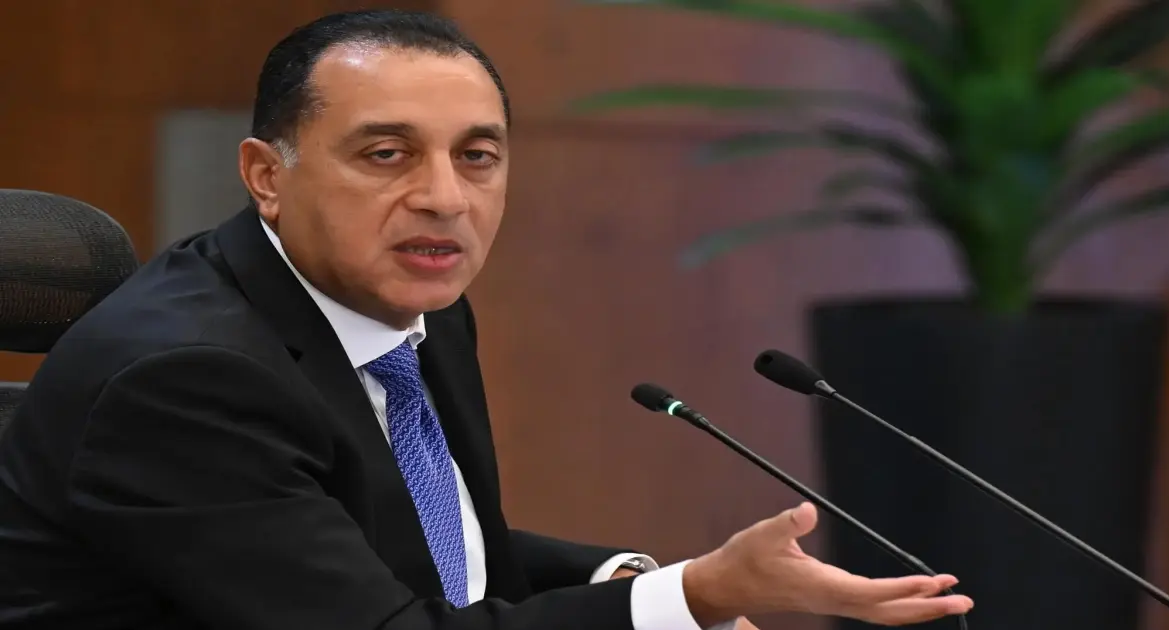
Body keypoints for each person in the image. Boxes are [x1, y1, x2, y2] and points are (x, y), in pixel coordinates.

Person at [0, 9, 973, 630]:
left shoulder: (406, 302)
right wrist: (692, 596)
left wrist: (633, 576)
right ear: (267, 176)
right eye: (386, 155)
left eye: (477, 157)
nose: (444, 199)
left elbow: (435, 552)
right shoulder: (184, 379)